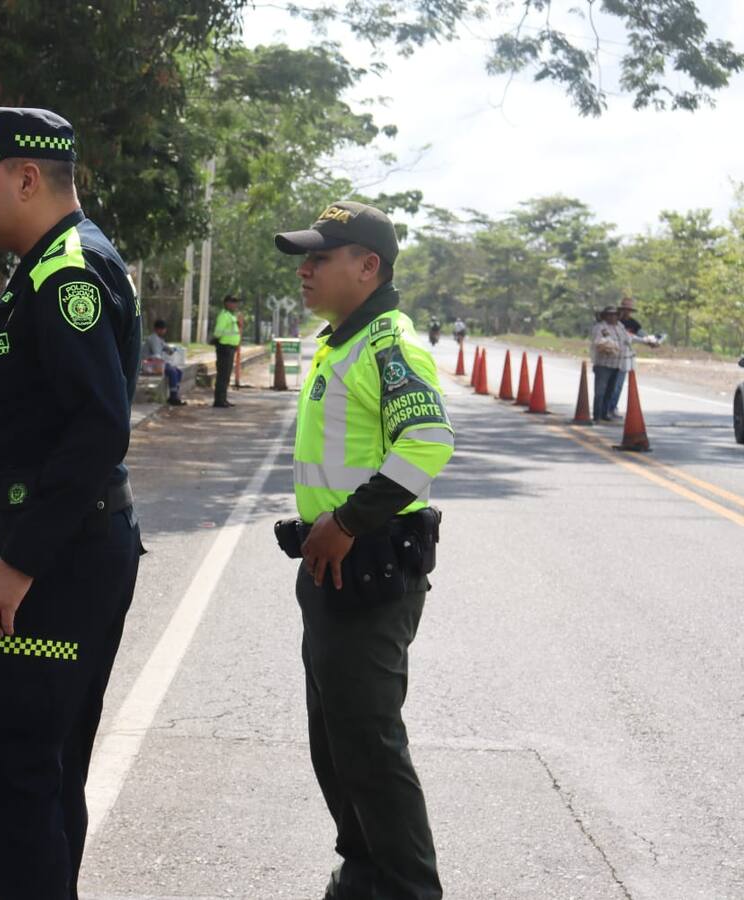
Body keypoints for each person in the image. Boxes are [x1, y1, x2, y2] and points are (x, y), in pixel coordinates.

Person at [0, 106, 142, 900]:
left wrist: (16, 564)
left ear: (26, 177)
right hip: (73, 551)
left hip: (55, 566)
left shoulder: (69, 276)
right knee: (44, 782)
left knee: (12, 785)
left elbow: (97, 430)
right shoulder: (46, 267)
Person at [273, 200, 453, 900]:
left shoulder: (387, 343)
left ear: (367, 266)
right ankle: (364, 872)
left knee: (369, 747)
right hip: (332, 569)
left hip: (369, 569)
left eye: (321, 257)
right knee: (336, 742)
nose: (306, 270)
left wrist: (347, 522)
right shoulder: (343, 341)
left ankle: (407, 889)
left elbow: (428, 442)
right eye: (305, 258)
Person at [607, 295, 661, 418]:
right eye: (624, 309)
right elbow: (629, 337)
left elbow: (642, 335)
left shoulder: (633, 323)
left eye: (629, 310)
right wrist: (645, 340)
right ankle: (604, 408)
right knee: (609, 384)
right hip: (611, 356)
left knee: (618, 385)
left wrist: (651, 341)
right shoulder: (615, 321)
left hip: (624, 357)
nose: (626, 312)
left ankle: (612, 407)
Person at [589, 305, 622, 422]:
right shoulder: (600, 327)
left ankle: (605, 413)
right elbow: (598, 342)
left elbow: (627, 338)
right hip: (603, 364)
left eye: (615, 314)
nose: (613, 317)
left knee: (610, 391)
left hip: (616, 363)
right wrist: (608, 346)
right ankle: (597, 415)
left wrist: (646, 340)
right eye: (610, 314)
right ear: (605, 316)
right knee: (600, 391)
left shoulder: (620, 327)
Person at [143, 318, 186, 405]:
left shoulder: (159, 339)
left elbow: (167, 349)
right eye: (163, 329)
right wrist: (166, 363)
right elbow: (156, 356)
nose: (164, 331)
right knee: (172, 371)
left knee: (179, 371)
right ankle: (173, 397)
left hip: (156, 363)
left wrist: (172, 349)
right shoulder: (153, 339)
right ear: (158, 329)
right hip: (149, 364)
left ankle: (175, 394)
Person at [211, 294, 241, 407]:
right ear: (227, 303)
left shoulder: (231, 316)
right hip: (224, 348)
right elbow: (218, 331)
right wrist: (216, 340)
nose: (235, 305)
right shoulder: (224, 316)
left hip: (230, 348)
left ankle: (223, 399)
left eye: (236, 302)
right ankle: (218, 400)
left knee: (226, 376)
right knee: (222, 375)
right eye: (233, 302)